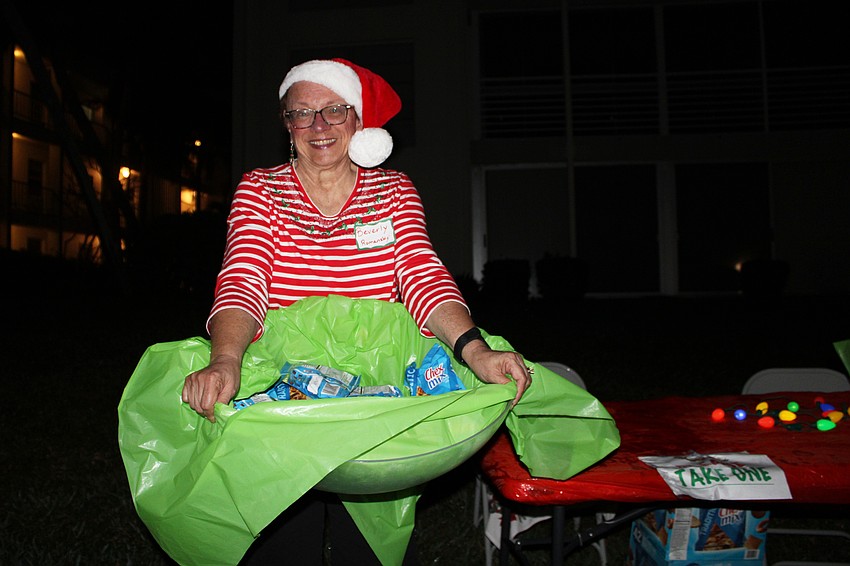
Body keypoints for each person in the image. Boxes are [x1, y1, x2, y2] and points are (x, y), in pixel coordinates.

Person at [181, 57, 532, 565]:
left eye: (334, 110)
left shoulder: (392, 191)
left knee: (366, 548)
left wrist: (475, 350)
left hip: (377, 394)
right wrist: (227, 360)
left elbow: (421, 276)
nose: (318, 126)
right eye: (301, 113)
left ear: (358, 120)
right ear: (287, 125)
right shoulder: (261, 189)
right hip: (287, 393)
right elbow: (244, 278)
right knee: (283, 542)